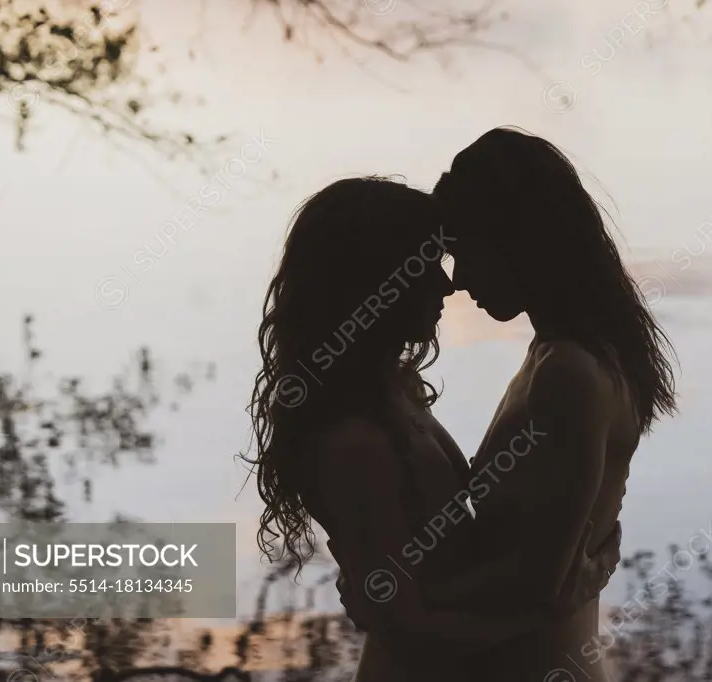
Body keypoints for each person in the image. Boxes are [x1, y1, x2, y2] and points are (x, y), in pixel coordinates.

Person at [247, 176, 620, 682]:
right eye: (426, 266)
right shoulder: (352, 442)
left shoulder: (396, 391)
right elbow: (411, 630)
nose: (448, 284)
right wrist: (560, 601)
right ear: (376, 281)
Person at [422, 127, 678, 681]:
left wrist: (394, 589)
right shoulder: (564, 351)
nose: (460, 281)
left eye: (468, 254)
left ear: (519, 240)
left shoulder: (570, 373)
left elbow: (535, 581)